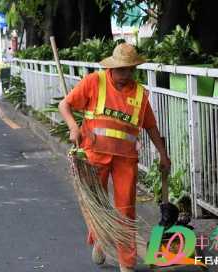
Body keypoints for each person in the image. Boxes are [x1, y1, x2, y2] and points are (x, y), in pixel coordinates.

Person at [58, 43, 171, 272]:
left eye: (130, 69)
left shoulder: (139, 94)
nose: (126, 74)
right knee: (95, 205)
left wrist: (163, 154)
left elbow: (151, 127)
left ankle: (126, 264)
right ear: (112, 67)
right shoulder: (94, 82)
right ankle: (100, 237)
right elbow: (65, 105)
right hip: (94, 155)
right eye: (121, 69)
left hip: (125, 161)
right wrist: (73, 128)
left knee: (126, 211)